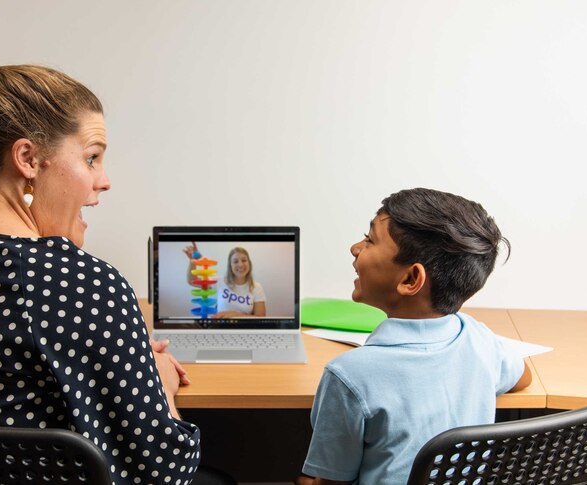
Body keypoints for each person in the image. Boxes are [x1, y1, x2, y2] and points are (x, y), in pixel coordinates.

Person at [0, 60, 233, 485]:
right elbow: (163, 472)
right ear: (28, 158)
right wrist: (160, 385)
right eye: (92, 158)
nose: (104, 181)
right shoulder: (85, 285)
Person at [295, 188, 532, 485]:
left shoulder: (349, 375)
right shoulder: (478, 337)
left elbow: (331, 483)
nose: (355, 248)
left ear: (410, 279)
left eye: (370, 240)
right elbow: (524, 377)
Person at [183, 244, 266, 317]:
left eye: (244, 260)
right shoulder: (220, 282)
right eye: (235, 261)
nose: (240, 264)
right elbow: (192, 281)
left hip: (243, 330)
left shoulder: (256, 287)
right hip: (219, 328)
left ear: (249, 263)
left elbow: (261, 317)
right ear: (230, 265)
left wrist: (238, 315)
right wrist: (192, 260)